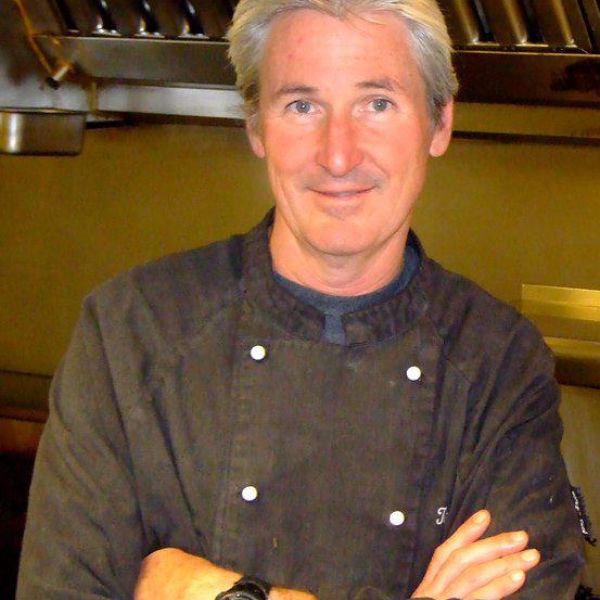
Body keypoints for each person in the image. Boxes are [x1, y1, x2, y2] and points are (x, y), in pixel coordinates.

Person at [17, 1, 585, 599]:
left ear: (439, 123)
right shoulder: (129, 335)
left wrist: (217, 592)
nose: (338, 156)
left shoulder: (500, 363)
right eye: (302, 105)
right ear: (256, 126)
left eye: (377, 103)